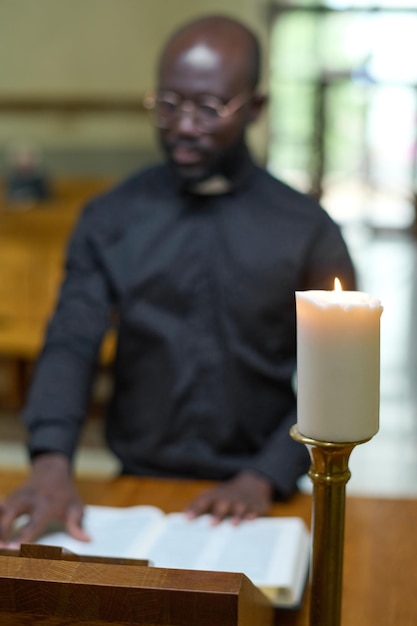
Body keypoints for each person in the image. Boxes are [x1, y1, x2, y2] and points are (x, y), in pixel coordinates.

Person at [0, 14, 356, 545]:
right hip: (140, 483)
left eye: (210, 108)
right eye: (168, 105)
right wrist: (51, 462)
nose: (186, 125)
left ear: (255, 108)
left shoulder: (307, 230)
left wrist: (266, 474)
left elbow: (337, 378)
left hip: (266, 493)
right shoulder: (110, 218)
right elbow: (72, 340)